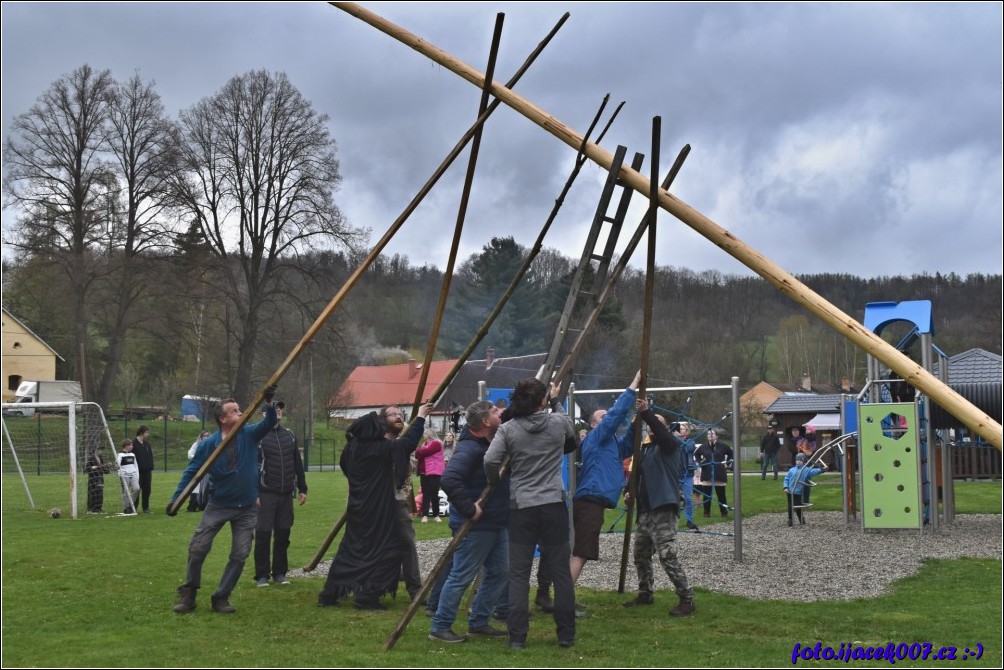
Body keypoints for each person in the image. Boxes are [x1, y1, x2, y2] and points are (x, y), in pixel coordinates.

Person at [484, 378, 577, 650]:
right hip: (553, 504)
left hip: (522, 506)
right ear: (542, 402)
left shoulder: (508, 430)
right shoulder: (559, 423)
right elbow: (569, 431)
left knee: (519, 575)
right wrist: (557, 399)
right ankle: (566, 634)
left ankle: (517, 638)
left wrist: (494, 481)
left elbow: (490, 460)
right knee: (560, 571)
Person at [168, 389, 278, 614]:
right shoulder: (209, 445)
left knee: (240, 554)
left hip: (246, 508)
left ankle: (221, 597)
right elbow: (192, 471)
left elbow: (270, 423)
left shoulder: (249, 434)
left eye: (240, 409)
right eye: (235, 411)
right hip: (218, 505)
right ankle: (189, 593)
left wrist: (268, 402)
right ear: (223, 419)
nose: (240, 413)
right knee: (198, 548)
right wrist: (176, 498)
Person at [317, 401, 433, 610]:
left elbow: (349, 469)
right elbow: (406, 445)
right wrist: (422, 417)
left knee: (353, 550)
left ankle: (331, 593)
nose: (398, 416)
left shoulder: (354, 448)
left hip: (362, 507)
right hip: (379, 510)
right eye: (392, 415)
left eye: (400, 414)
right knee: (389, 551)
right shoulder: (379, 447)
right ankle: (369, 594)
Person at [429, 400, 509, 644]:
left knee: (500, 572)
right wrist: (468, 508)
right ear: (485, 421)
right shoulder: (469, 449)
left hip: (495, 521)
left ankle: (479, 622)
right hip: (476, 525)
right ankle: (440, 627)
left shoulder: (488, 444)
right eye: (495, 411)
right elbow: (450, 479)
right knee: (461, 576)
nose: (500, 413)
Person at [623, 398, 695, 616]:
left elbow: (661, 433)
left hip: (663, 507)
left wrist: (648, 413)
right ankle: (646, 593)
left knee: (667, 555)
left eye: (655, 424)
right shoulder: (645, 449)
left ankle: (687, 598)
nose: (651, 428)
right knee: (640, 555)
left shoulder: (671, 445)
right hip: (646, 510)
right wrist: (629, 491)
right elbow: (638, 474)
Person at [570, 370, 639, 585]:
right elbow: (614, 417)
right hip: (589, 500)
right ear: (593, 425)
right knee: (582, 551)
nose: (607, 417)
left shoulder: (613, 444)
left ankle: (564, 596)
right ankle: (564, 599)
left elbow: (629, 443)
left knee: (582, 550)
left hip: (595, 501)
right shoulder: (595, 438)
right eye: (602, 416)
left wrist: (638, 419)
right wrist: (634, 384)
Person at [254, 402, 307, 587]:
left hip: (286, 494)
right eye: (273, 408)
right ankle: (261, 575)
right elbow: (253, 466)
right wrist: (255, 493)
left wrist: (303, 488)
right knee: (263, 534)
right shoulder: (258, 436)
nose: (278, 410)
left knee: (283, 534)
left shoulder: (289, 435)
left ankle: (279, 573)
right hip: (265, 493)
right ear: (263, 414)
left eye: (280, 408)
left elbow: (297, 464)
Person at [695, 429, 733, 518]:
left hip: (719, 473)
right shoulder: (703, 446)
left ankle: (724, 513)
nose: (710, 435)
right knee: (707, 496)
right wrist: (701, 463)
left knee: (721, 496)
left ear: (716, 436)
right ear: (707, 436)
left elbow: (731, 453)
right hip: (707, 473)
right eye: (708, 434)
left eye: (712, 434)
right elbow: (696, 454)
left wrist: (727, 463)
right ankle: (706, 513)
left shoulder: (723, 446)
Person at [783, 453, 827, 526]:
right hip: (790, 491)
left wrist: (822, 470)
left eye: (800, 460)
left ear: (804, 461)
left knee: (797, 506)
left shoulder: (806, 470)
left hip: (798, 492)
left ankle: (801, 519)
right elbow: (786, 479)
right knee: (790, 507)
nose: (798, 462)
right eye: (797, 460)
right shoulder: (792, 470)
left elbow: (813, 471)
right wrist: (785, 487)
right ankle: (790, 520)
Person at [416, 428, 445, 522]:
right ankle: (425, 515)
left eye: (425, 433)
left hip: (434, 472)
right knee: (425, 494)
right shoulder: (424, 444)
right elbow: (418, 455)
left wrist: (419, 450)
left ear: (429, 434)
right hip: (424, 473)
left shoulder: (436, 443)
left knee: (434, 494)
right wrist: (420, 450)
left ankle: (436, 515)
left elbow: (424, 452)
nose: (423, 435)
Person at [678, 426, 699, 531]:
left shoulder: (691, 442)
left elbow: (687, 449)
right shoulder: (672, 440)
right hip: (675, 474)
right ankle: (673, 520)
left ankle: (689, 521)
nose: (679, 430)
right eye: (678, 428)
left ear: (686, 432)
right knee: (673, 498)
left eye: (681, 429)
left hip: (687, 474)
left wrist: (677, 439)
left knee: (688, 499)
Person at [187, 430, 212, 512]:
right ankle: (193, 505)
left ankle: (204, 505)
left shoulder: (211, 445)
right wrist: (199, 457)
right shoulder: (196, 444)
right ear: (201, 436)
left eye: (207, 435)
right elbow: (190, 455)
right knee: (195, 487)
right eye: (204, 435)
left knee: (206, 487)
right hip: (197, 468)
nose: (206, 437)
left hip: (208, 469)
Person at [132, 425, 155, 513]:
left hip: (147, 471)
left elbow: (150, 456)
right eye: (146, 433)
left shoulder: (147, 444)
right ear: (141, 433)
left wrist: (150, 465)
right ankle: (134, 507)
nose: (148, 435)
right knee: (137, 489)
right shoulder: (133, 444)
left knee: (147, 490)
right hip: (137, 472)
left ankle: (146, 508)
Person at [85, 443, 111, 513]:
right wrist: (92, 467)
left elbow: (105, 470)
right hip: (93, 480)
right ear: (95, 450)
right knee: (93, 493)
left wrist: (106, 467)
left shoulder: (102, 459)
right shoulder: (91, 458)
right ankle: (91, 508)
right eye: (99, 449)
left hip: (100, 479)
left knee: (100, 493)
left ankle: (98, 508)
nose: (101, 451)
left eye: (101, 450)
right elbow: (86, 469)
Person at [117, 439, 140, 515]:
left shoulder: (132, 455)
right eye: (130, 445)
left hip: (133, 475)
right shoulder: (120, 455)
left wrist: (137, 475)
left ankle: (131, 504)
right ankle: (126, 508)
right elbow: (117, 465)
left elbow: (135, 466)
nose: (132, 446)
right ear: (126, 446)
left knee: (137, 489)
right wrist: (120, 473)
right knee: (126, 492)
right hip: (124, 476)